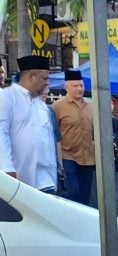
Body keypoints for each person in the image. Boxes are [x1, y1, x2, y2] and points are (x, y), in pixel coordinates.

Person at [0, 56, 57, 192]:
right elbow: (2, 133)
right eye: (44, 78)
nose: (47, 83)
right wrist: (7, 169)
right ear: (32, 77)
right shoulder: (7, 98)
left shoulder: (42, 107)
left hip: (46, 182)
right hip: (19, 183)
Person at [52, 69, 95, 206]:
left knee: (85, 195)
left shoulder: (91, 107)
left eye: (81, 85)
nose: (79, 89)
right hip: (67, 156)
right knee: (72, 191)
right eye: (75, 86)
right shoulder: (57, 107)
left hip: (88, 157)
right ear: (66, 87)